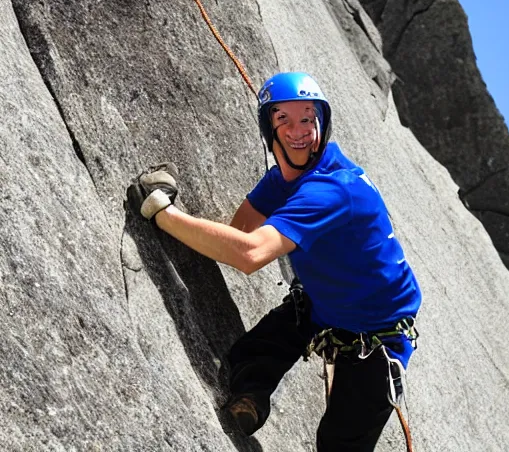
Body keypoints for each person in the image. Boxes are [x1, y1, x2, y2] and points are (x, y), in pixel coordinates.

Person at [129, 72, 422, 451]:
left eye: (307, 118)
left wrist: (161, 212)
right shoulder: (281, 181)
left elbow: (249, 255)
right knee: (248, 357)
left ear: (322, 122)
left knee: (339, 444)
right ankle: (249, 401)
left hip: (378, 337)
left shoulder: (333, 190)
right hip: (325, 303)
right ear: (268, 127)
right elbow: (234, 234)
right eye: (284, 119)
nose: (298, 130)